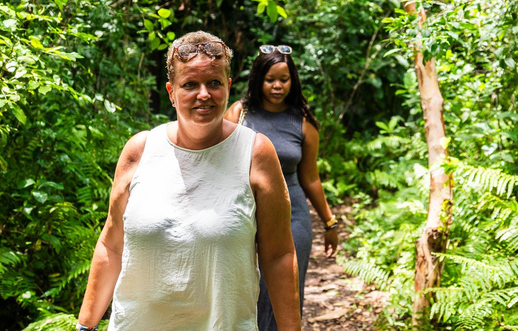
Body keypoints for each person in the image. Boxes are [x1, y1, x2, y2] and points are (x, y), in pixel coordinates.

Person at [76, 31, 300, 331]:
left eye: (214, 83)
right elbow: (111, 246)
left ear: (228, 87)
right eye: (190, 84)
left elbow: (278, 256)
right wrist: (85, 326)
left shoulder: (254, 152)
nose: (204, 94)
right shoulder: (140, 150)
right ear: (171, 91)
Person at [224, 44, 338, 331]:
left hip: (293, 217)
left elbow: (310, 177)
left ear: (293, 81)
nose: (277, 86)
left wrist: (330, 221)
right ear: (258, 79)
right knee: (249, 288)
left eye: (284, 80)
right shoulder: (239, 113)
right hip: (244, 213)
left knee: (285, 292)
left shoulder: (303, 123)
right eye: (270, 79)